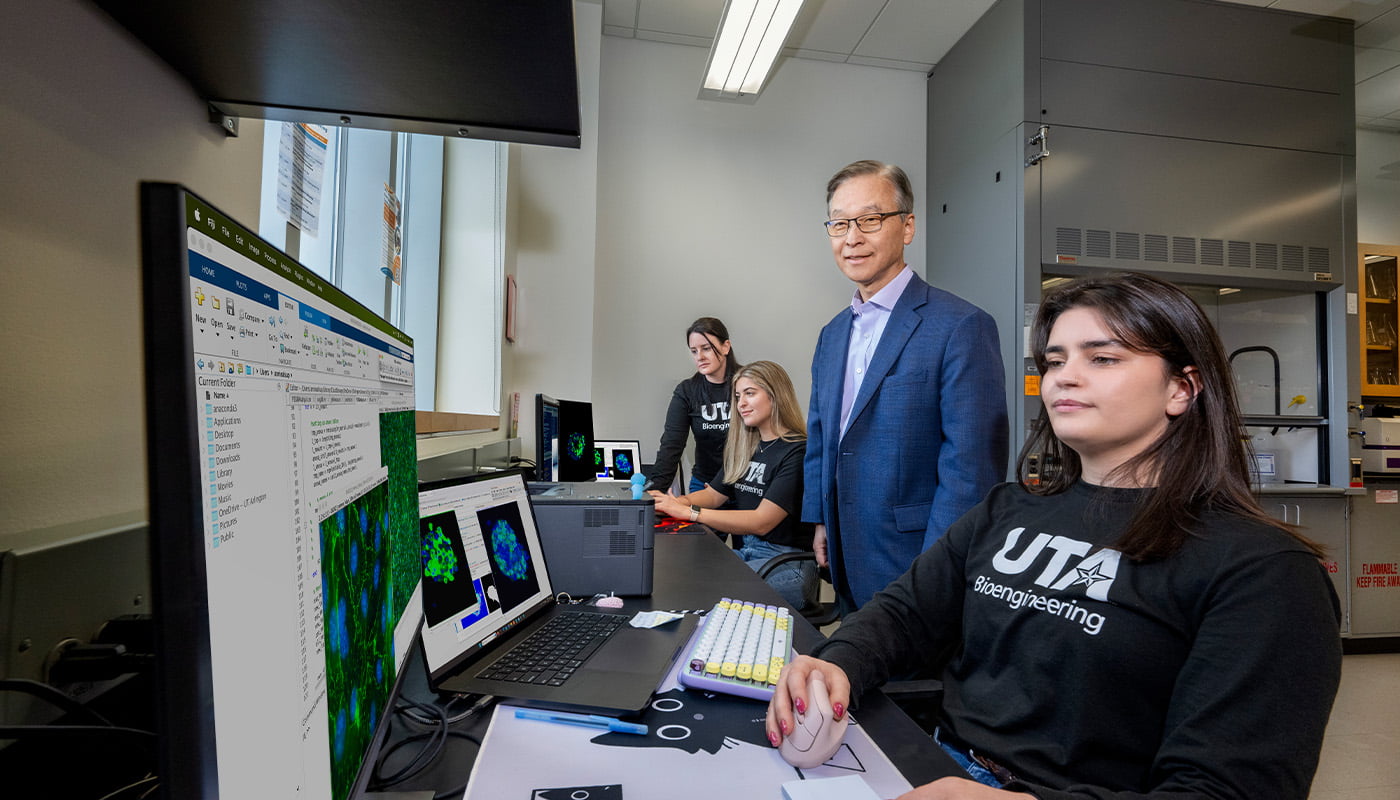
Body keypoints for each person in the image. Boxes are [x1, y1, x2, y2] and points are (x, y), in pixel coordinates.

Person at [767, 272, 1343, 799]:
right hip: (931, 765)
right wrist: (834, 663)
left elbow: (1223, 792)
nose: (1065, 375)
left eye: (1104, 358)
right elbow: (904, 615)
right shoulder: (1007, 508)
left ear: (1181, 389)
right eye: (1056, 359)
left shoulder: (1265, 571)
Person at [803, 160, 1008, 613]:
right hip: (843, 548)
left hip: (914, 559)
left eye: (869, 220)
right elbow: (822, 435)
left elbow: (971, 469)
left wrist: (938, 571)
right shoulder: (832, 334)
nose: (851, 238)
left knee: (909, 683)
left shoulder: (961, 326)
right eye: (839, 224)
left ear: (907, 226)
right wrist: (819, 520)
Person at [651, 361, 818, 613]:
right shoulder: (747, 447)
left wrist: (690, 512)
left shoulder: (797, 450)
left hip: (786, 563)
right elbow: (714, 495)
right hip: (750, 552)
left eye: (750, 393)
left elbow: (762, 521)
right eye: (738, 396)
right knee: (681, 579)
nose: (740, 404)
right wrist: (673, 503)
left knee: (699, 593)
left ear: (776, 395)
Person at [649, 317, 739, 496]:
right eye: (694, 351)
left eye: (706, 348)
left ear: (725, 346)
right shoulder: (687, 391)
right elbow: (671, 445)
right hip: (704, 485)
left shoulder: (748, 383)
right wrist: (654, 491)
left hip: (745, 485)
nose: (700, 357)